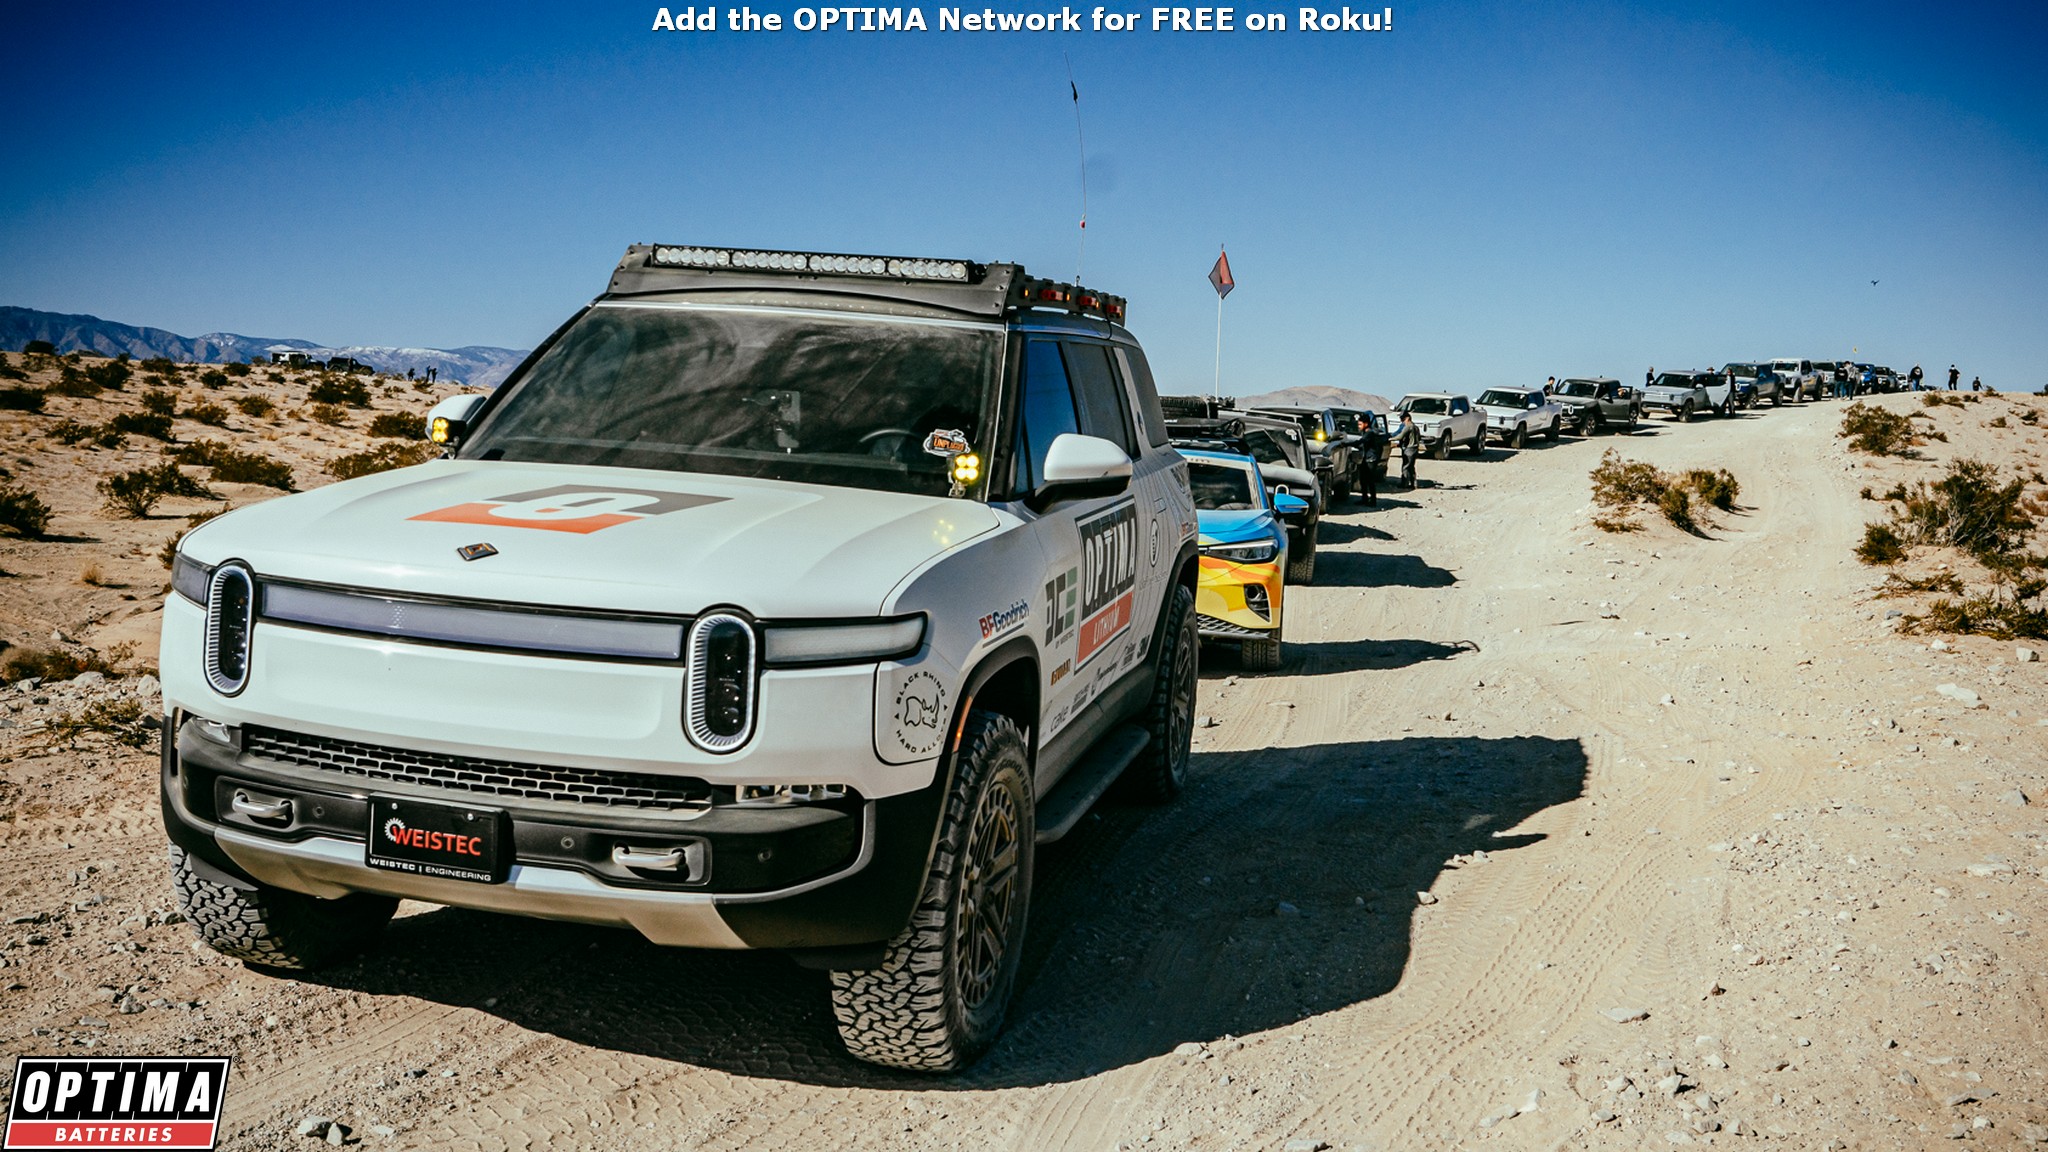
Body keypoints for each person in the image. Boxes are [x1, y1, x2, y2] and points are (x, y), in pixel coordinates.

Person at [1357, 418, 1385, 506]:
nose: (1359, 426)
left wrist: (1346, 444)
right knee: (1363, 480)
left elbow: (1361, 442)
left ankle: (1373, 501)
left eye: (1360, 424)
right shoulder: (1366, 433)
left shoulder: (1369, 433)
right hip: (1367, 458)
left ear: (1366, 424)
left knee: (1369, 480)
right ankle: (1364, 499)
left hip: (1371, 459)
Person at [1395, 411, 1422, 490]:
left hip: (1409, 449)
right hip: (1415, 449)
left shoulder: (1408, 427)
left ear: (1407, 418)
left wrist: (1389, 439)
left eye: (1403, 419)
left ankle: (1404, 484)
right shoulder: (1416, 427)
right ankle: (1414, 483)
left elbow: (1400, 436)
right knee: (1411, 467)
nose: (1401, 420)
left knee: (1405, 467)